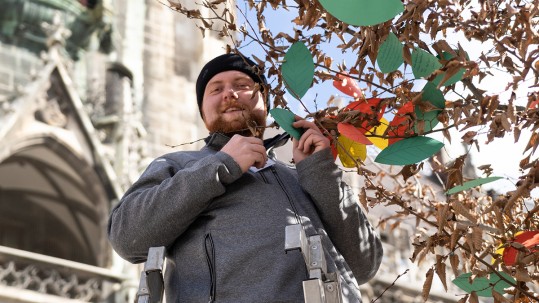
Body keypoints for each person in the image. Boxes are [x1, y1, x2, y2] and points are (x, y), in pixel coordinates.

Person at [107, 52, 383, 303]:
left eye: (242, 85)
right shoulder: (179, 164)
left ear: (264, 103)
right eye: (216, 89)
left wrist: (319, 171)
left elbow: (364, 265)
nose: (229, 94)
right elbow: (127, 237)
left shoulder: (305, 176)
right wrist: (222, 165)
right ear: (203, 113)